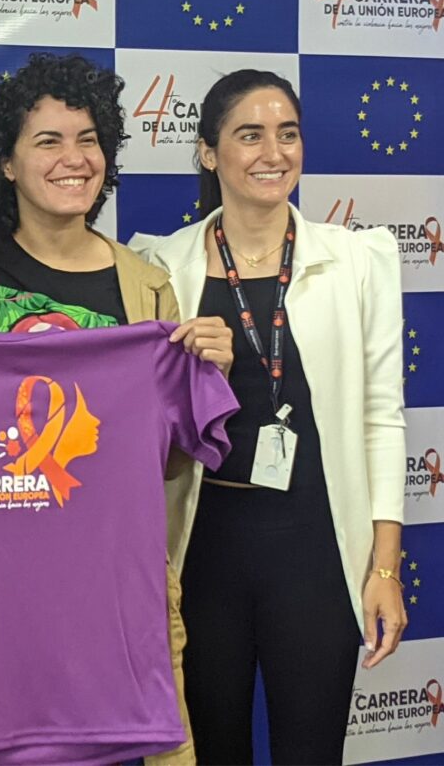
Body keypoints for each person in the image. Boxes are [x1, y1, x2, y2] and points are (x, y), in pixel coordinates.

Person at [0, 52, 234, 765]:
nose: (74, 158)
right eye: (48, 141)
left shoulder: (147, 285)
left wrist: (206, 379)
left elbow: (167, 459)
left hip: (116, 599)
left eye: (89, 139)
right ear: (6, 164)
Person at [131, 69, 407, 764]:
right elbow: (139, 426)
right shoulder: (160, 266)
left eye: (288, 134)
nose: (273, 153)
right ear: (208, 151)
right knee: (210, 752)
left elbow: (381, 418)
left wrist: (383, 570)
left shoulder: (357, 261)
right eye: (249, 135)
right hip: (202, 554)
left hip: (315, 552)